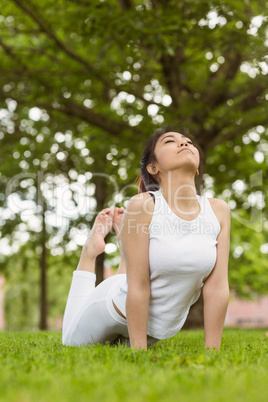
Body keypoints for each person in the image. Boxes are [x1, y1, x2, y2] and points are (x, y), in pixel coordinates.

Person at [62, 126, 230, 351]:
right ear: (153, 167)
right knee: (71, 342)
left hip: (158, 327)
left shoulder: (219, 210)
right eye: (170, 141)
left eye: (188, 141)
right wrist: (138, 352)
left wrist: (213, 352)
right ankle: (89, 251)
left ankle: (126, 248)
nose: (184, 143)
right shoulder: (143, 205)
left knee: (113, 346)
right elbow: (138, 286)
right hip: (115, 309)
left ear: (198, 168)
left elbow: (217, 287)